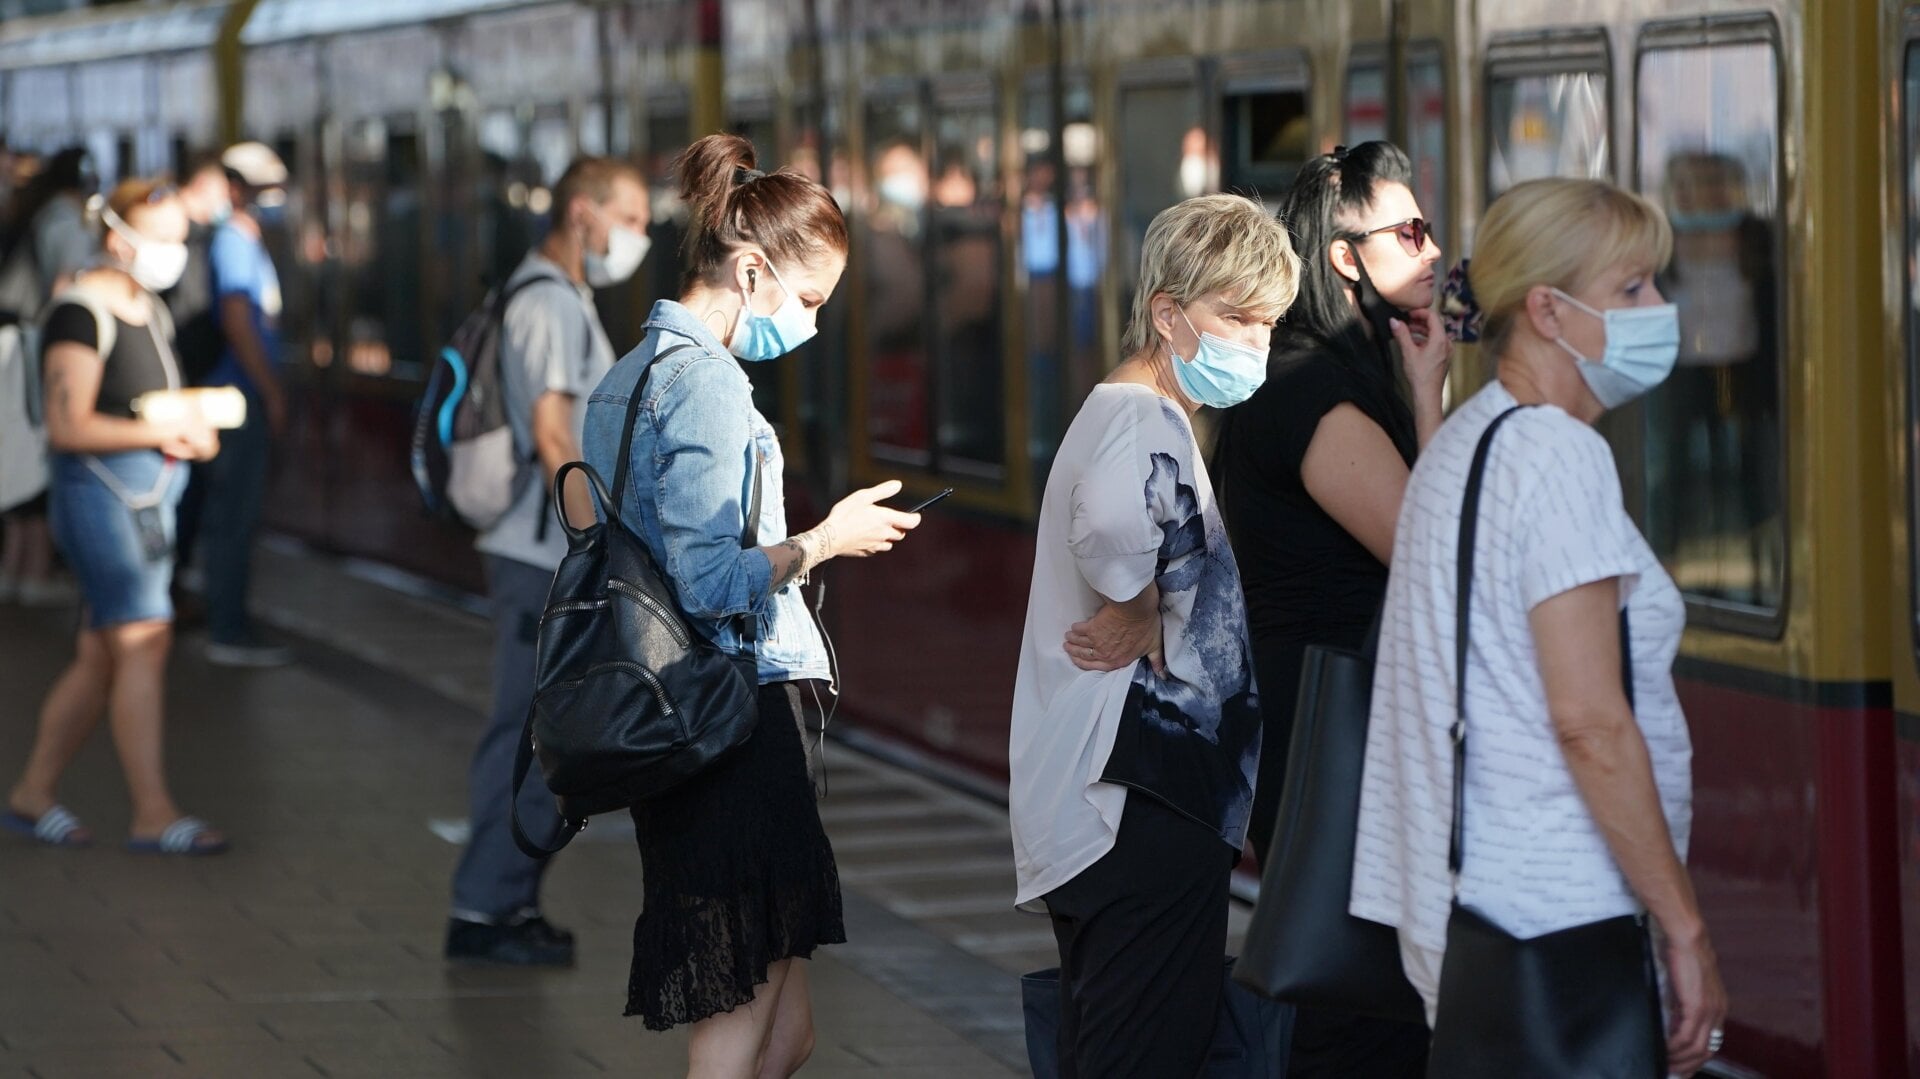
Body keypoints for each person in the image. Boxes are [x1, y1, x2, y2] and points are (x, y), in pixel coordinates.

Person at [1350, 178, 1728, 1075]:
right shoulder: (1560, 456)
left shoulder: (1463, 444)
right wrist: (1685, 928)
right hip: (1555, 922)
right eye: (1632, 289)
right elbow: (1589, 722)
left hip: (1466, 913)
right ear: (1549, 312)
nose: (1659, 309)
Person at [582, 133, 919, 1077]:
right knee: (734, 1034)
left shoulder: (627, 374)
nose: (810, 322)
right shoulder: (707, 384)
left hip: (679, 712)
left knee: (787, 1031)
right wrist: (822, 541)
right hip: (729, 719)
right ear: (752, 267)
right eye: (809, 300)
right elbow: (706, 582)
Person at [1011, 193, 1300, 1079]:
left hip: (1124, 798)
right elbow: (1108, 527)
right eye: (1236, 316)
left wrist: (1149, 593)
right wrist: (1145, 590)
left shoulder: (1125, 411)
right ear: (1169, 315)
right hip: (1140, 800)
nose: (1254, 341)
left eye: (1269, 322)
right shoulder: (1143, 418)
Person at [1211, 142, 1446, 1075]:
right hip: (1330, 724)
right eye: (1410, 232)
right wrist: (1429, 396)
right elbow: (1428, 553)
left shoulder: (1330, 378)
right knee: (1363, 993)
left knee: (1367, 986)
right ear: (1347, 258)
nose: (1432, 250)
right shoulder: (1313, 390)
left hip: (1324, 713)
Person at [445, 155, 651, 968]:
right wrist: (594, 549)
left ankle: (507, 902)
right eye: (628, 214)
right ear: (580, 211)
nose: (638, 232)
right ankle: (485, 908)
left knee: (543, 735)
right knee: (527, 735)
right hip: (545, 558)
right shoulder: (548, 304)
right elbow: (555, 438)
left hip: (543, 552)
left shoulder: (557, 298)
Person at [3, 179, 226, 854]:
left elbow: (159, 399)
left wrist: (195, 428)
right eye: (159, 240)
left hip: (147, 497)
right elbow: (69, 424)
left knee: (102, 654)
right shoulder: (79, 312)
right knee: (143, 636)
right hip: (96, 499)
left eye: (177, 241)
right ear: (116, 239)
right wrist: (162, 435)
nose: (171, 254)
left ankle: (32, 792)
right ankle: (152, 811)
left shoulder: (148, 308)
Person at [198, 141, 291, 666]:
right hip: (238, 398)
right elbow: (237, 319)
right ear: (236, 188)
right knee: (234, 514)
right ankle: (227, 629)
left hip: (244, 393)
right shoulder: (233, 242)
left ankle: (228, 620)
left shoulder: (246, 239)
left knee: (236, 513)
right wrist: (271, 388)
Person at [0, 147, 98, 608]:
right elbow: (66, 290)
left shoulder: (34, 212)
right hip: (34, 347)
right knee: (36, 453)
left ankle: (16, 569)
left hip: (15, 346)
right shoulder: (65, 222)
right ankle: (34, 571)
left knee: (16, 450)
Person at [165, 152, 235, 620]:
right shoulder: (184, 247)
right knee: (183, 495)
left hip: (191, 383)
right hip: (184, 387)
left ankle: (174, 586)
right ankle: (171, 590)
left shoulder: (203, 242)